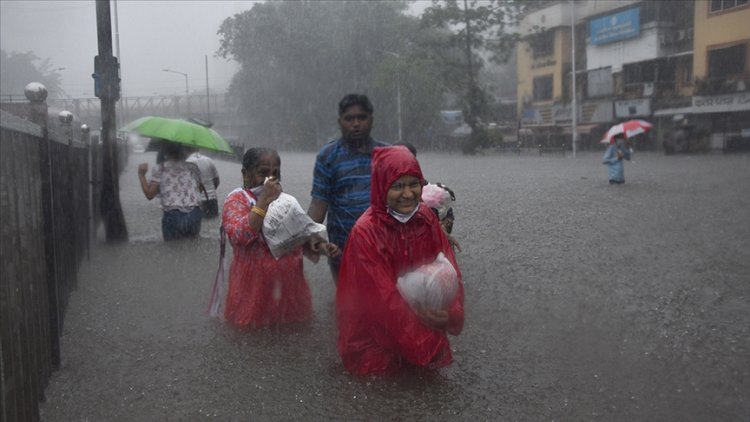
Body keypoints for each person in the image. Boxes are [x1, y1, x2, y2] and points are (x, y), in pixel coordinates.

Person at [336, 146, 465, 376]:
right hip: (375, 346)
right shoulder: (366, 233)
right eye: (397, 186)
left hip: (425, 332)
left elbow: (450, 269)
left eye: (413, 184)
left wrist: (450, 314)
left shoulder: (425, 218)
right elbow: (383, 304)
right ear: (381, 186)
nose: (407, 194)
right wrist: (426, 344)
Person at [222, 147, 339, 328]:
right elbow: (241, 236)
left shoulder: (285, 201)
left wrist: (320, 246)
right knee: (254, 339)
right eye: (263, 173)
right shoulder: (237, 200)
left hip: (289, 289)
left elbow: (296, 237)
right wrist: (263, 202)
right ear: (246, 173)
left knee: (292, 335)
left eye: (275, 173)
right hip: (253, 290)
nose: (270, 179)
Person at [307, 94, 390, 283]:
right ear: (340, 122)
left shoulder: (386, 155)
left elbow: (405, 201)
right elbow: (319, 202)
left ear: (371, 120)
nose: (356, 124)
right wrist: (311, 234)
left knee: (385, 302)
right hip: (342, 248)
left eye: (361, 118)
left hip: (383, 246)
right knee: (347, 305)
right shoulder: (328, 156)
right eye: (349, 119)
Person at [138, 141, 203, 240]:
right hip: (194, 213)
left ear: (165, 151)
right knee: (192, 248)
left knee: (172, 249)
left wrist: (141, 175)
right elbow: (199, 189)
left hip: (173, 215)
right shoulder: (192, 167)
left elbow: (150, 195)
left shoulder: (161, 168)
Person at [186, 149, 221, 218]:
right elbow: (217, 181)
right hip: (212, 201)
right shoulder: (209, 160)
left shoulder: (186, 162)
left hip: (194, 203)